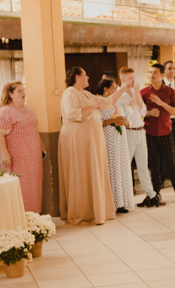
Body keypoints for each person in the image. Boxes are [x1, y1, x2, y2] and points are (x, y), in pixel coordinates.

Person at [59, 67, 115, 226]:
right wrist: (93, 106)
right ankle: (80, 212)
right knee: (80, 173)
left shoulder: (85, 93)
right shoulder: (70, 92)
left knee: (91, 172)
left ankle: (93, 210)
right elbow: (71, 113)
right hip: (77, 139)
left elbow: (108, 102)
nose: (88, 77)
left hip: (89, 140)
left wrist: (124, 88)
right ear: (78, 77)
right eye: (85, 74)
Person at [142, 63, 175, 203]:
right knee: (154, 164)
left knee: (171, 163)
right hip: (150, 133)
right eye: (151, 72)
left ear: (161, 75)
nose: (152, 76)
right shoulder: (144, 92)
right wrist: (148, 113)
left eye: (155, 73)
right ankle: (155, 194)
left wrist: (160, 103)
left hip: (167, 132)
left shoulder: (170, 92)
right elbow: (137, 114)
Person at [0, 82, 43, 213]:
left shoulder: (27, 109)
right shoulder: (5, 111)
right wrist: (4, 154)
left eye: (23, 90)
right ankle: (18, 218)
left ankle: (33, 217)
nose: (23, 93)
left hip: (32, 158)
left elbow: (34, 129)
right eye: (19, 91)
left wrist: (42, 146)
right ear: (10, 94)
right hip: (17, 158)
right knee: (20, 186)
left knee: (33, 186)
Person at [115, 66, 158, 208]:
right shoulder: (118, 95)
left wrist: (137, 94)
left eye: (133, 77)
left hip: (141, 131)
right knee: (126, 166)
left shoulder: (135, 91)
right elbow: (129, 111)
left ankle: (151, 195)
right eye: (130, 78)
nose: (133, 80)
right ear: (122, 79)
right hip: (129, 132)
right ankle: (123, 200)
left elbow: (144, 111)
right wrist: (134, 96)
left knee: (143, 166)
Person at [95, 78, 136, 213]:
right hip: (108, 143)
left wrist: (125, 122)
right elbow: (96, 124)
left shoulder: (119, 103)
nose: (116, 90)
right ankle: (111, 203)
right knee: (112, 170)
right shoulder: (99, 103)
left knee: (122, 170)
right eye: (114, 87)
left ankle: (122, 202)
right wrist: (111, 121)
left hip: (121, 142)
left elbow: (129, 121)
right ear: (106, 89)